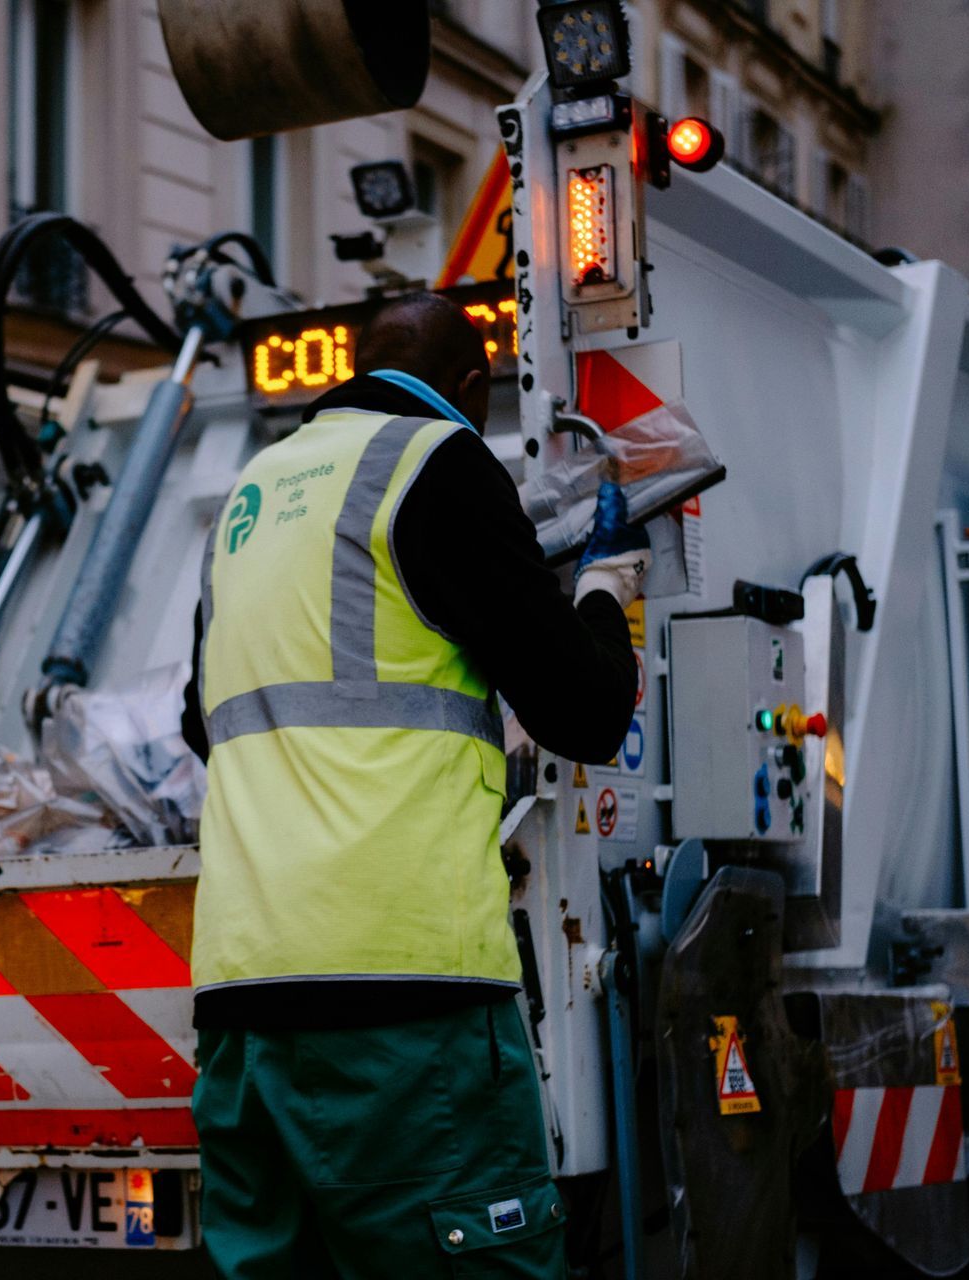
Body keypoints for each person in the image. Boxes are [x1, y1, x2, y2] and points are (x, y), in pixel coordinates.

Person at [180, 292, 645, 1278]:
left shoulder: (246, 499)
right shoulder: (439, 463)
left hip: (243, 1004)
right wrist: (605, 589)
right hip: (404, 1006)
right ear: (472, 389)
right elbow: (586, 711)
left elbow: (203, 717)